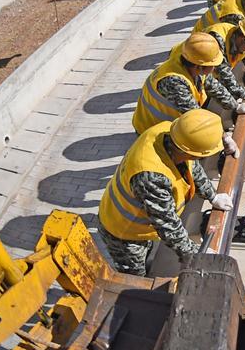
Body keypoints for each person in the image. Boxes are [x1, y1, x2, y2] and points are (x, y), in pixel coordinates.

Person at [98, 109, 235, 275]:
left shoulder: (169, 132)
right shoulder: (152, 177)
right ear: (190, 153)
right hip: (123, 233)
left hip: (137, 221)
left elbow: (192, 167)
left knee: (147, 254)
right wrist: (195, 255)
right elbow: (167, 225)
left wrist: (212, 195)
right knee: (135, 276)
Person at [132, 32, 245, 135]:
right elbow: (196, 118)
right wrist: (223, 138)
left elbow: (214, 87)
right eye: (213, 65)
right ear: (199, 66)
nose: (216, 67)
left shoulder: (192, 65)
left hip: (168, 124)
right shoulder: (174, 82)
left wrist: (235, 106)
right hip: (151, 129)